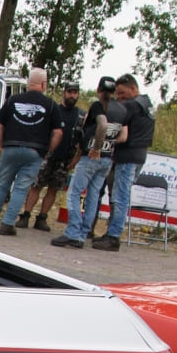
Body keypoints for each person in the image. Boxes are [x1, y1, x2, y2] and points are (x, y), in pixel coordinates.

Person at [0, 67, 61, 236]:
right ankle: (7, 224)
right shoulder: (51, 105)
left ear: (29, 82)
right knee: (20, 188)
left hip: (10, 147)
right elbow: (58, 133)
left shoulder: (12, 100)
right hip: (34, 152)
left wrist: (3, 145)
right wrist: (48, 151)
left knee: (2, 184)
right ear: (43, 84)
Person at [53, 76, 127, 249]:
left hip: (91, 156)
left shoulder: (98, 106)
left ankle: (73, 233)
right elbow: (123, 136)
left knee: (74, 193)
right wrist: (109, 144)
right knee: (93, 196)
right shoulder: (122, 110)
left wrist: (97, 146)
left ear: (99, 90)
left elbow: (102, 124)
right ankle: (85, 232)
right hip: (107, 159)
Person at [91, 73, 154, 252]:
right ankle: (112, 232)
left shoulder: (134, 105)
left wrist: (102, 100)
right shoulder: (147, 103)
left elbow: (111, 112)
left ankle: (113, 236)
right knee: (119, 196)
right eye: (117, 93)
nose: (118, 97)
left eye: (121, 93)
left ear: (133, 89)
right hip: (137, 155)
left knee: (119, 197)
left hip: (128, 156)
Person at [16, 81, 83, 231]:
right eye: (69, 92)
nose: (72, 95)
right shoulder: (53, 110)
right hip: (47, 155)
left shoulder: (80, 116)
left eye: (75, 93)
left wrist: (74, 160)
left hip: (65, 159)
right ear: (64, 93)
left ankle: (42, 219)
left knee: (53, 189)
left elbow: (81, 141)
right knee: (36, 186)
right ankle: (25, 215)